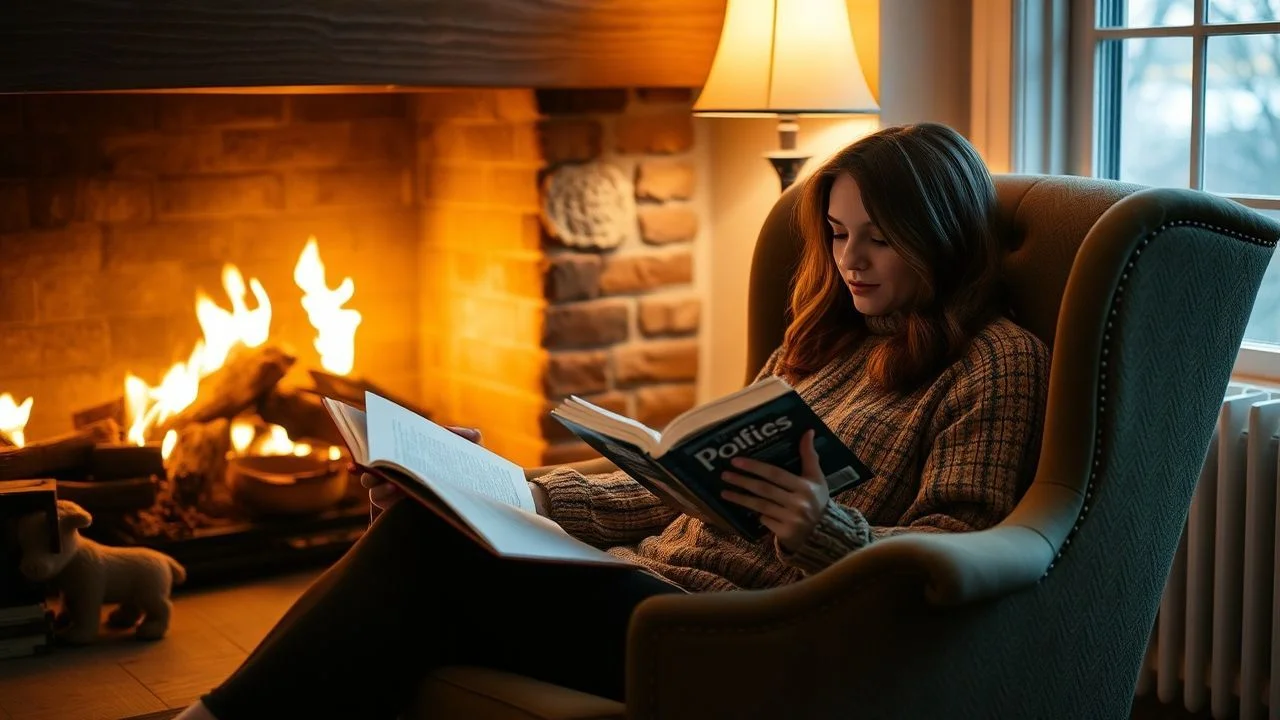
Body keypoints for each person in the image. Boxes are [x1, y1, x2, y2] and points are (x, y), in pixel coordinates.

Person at [177, 122, 1050, 720]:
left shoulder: (994, 360)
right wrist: (501, 491)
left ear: (939, 234)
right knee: (428, 528)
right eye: (835, 232)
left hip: (746, 628)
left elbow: (958, 548)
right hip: (647, 578)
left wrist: (825, 530)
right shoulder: (824, 339)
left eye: (878, 239)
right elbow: (674, 501)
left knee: (418, 562)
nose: (847, 260)